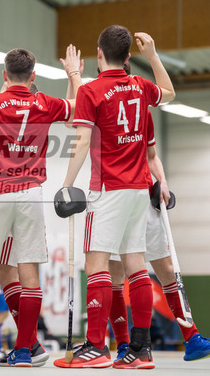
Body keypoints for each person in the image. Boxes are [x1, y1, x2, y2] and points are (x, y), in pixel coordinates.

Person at [53, 26, 175, 369]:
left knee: (96, 265)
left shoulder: (91, 90)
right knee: (136, 266)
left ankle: (96, 347)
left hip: (108, 189)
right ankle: (140, 349)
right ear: (128, 56)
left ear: (99, 53)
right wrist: (153, 55)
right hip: (138, 190)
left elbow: (80, 140)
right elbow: (169, 92)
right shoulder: (140, 86)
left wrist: (66, 184)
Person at [0, 46, 78, 367]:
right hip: (32, 194)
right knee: (26, 271)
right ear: (33, 76)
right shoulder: (45, 103)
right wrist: (73, 75)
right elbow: (78, 110)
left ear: (4, 75)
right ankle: (25, 348)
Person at [108, 113, 210, 362]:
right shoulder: (103, 104)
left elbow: (151, 156)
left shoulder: (140, 111)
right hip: (114, 199)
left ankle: (192, 337)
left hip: (143, 200)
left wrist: (162, 181)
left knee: (166, 270)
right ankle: (123, 345)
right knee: (116, 276)